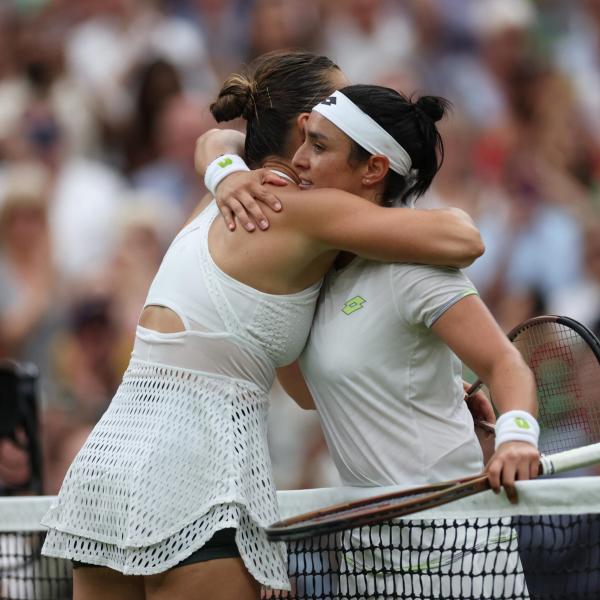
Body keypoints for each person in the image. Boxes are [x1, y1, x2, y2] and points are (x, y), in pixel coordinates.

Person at [40, 51, 484, 600]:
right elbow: (463, 239)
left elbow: (301, 387)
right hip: (195, 479)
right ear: (307, 126)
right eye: (338, 103)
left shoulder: (219, 196)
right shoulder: (303, 210)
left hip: (104, 475)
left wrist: (221, 168)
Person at [199, 84, 540, 598]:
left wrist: (516, 438)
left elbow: (505, 364)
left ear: (373, 170)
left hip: (458, 551)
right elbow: (307, 393)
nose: (299, 160)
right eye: (303, 142)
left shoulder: (412, 271)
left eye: (318, 146)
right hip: (366, 557)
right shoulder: (314, 276)